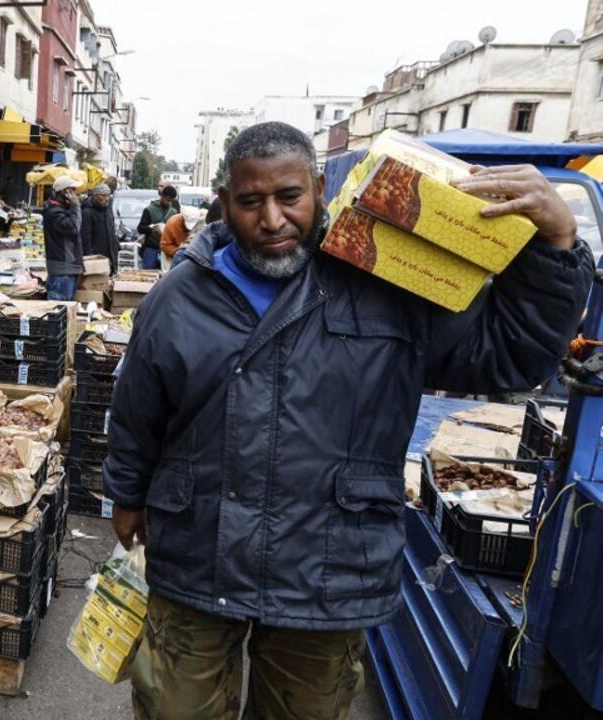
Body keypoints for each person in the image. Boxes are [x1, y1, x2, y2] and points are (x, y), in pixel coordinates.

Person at [105, 122, 591, 720]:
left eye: (290, 197)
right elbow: (137, 411)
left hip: (329, 569)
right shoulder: (179, 297)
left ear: (319, 187)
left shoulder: (387, 282)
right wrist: (126, 495)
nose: (273, 220)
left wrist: (557, 245)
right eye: (251, 202)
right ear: (224, 202)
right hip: (198, 555)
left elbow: (508, 353)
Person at [44, 175, 84, 301]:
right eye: (71, 191)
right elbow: (73, 228)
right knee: (59, 311)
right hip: (62, 270)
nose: (74, 195)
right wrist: (75, 206)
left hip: (69, 269)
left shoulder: (63, 210)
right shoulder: (55, 213)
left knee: (67, 312)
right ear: (63, 193)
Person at [137, 185, 180, 270]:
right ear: (162, 196)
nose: (168, 203)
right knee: (149, 272)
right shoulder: (149, 210)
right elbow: (140, 228)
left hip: (167, 249)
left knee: (166, 275)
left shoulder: (174, 212)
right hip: (151, 248)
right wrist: (151, 228)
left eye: (171, 201)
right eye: (167, 200)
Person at [80, 184, 118, 272]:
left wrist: (116, 246)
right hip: (96, 258)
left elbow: (112, 231)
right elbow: (86, 238)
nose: (107, 198)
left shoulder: (108, 210)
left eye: (109, 195)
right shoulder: (87, 212)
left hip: (110, 257)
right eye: (104, 195)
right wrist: (90, 258)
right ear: (96, 196)